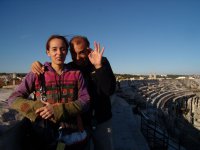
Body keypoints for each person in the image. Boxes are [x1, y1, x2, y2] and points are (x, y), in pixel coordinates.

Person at [31, 35, 116, 150]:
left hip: (102, 120)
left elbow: (109, 90)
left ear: (88, 50)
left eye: (81, 53)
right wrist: (37, 64)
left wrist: (98, 66)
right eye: (73, 53)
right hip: (81, 123)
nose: (77, 58)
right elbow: (54, 69)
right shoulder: (71, 67)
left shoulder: (101, 61)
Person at [8, 35, 90, 150]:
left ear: (66, 52)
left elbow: (85, 101)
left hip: (71, 134)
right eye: (54, 49)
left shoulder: (76, 74)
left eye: (63, 49)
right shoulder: (38, 73)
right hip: (43, 134)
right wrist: (39, 107)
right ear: (48, 52)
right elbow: (13, 99)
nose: (59, 53)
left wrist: (57, 110)